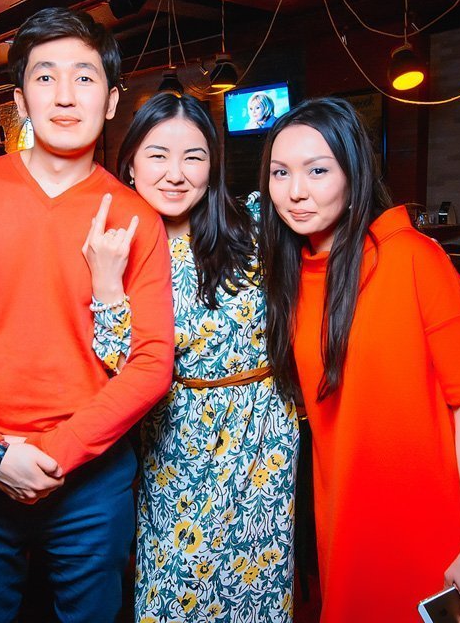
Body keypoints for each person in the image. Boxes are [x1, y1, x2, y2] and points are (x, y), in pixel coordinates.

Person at [0, 7, 175, 623]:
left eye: (84, 77)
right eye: (45, 76)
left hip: (91, 482)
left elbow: (152, 363)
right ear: (19, 99)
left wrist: (55, 452)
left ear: (111, 100)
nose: (64, 95)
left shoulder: (138, 216)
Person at [258, 96, 460, 623]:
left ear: (354, 172)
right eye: (280, 172)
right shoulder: (292, 275)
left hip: (440, 525)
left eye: (318, 170)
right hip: (350, 521)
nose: (295, 191)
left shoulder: (413, 257)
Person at [85, 92, 301, 621]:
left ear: (213, 166)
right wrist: (107, 285)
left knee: (257, 591)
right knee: (174, 590)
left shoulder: (256, 225)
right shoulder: (113, 248)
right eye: (158, 155)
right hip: (176, 443)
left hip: (263, 440)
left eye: (194, 157)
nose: (176, 174)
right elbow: (120, 366)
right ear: (130, 164)